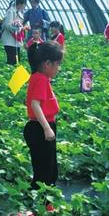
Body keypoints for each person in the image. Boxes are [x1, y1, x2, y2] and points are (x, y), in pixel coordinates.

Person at [24, 41, 64, 189]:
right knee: (47, 169)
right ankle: (46, 202)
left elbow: (32, 101)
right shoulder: (41, 79)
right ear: (47, 64)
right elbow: (35, 104)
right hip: (41, 128)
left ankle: (40, 198)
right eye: (57, 64)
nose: (58, 68)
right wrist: (47, 128)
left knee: (41, 166)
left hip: (36, 127)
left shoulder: (37, 77)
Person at [1, 0, 28, 66]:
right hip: (9, 40)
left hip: (15, 40)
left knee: (17, 60)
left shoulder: (18, 12)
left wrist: (21, 27)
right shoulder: (11, 11)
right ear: (19, 4)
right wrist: (16, 27)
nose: (24, 7)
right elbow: (7, 25)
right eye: (24, 5)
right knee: (12, 60)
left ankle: (14, 74)